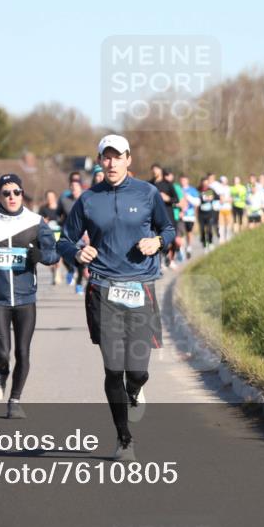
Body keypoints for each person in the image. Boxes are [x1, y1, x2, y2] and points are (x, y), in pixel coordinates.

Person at [58, 134, 175, 461]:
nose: (111, 163)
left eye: (117, 156)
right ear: (99, 161)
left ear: (128, 160)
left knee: (136, 370)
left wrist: (157, 243)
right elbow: (64, 241)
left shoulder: (148, 193)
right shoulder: (88, 200)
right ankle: (124, 439)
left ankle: (136, 389)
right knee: (112, 369)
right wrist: (78, 252)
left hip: (140, 286)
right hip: (103, 287)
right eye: (105, 157)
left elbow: (168, 229)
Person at [0, 173, 59, 419]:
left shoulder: (36, 221)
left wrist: (40, 256)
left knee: (23, 352)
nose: (12, 197)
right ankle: (2, 371)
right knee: (3, 352)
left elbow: (54, 253)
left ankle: (15, 401)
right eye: (6, 193)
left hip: (26, 298)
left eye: (16, 191)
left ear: (22, 193)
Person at [38, 190, 63, 284]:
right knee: (50, 254)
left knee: (58, 253)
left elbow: (64, 218)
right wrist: (44, 221)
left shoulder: (60, 208)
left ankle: (57, 271)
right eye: (48, 197)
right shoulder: (43, 209)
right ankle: (54, 272)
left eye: (51, 197)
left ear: (55, 197)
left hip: (59, 232)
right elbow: (39, 221)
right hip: (48, 234)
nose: (50, 199)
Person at [178, 175, 199, 260]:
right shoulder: (178, 189)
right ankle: (181, 249)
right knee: (181, 233)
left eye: (184, 180)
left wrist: (188, 197)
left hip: (190, 215)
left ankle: (189, 247)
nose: (183, 182)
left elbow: (197, 202)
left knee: (189, 232)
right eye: (181, 180)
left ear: (187, 181)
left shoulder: (192, 190)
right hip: (180, 215)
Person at [197, 176, 219, 250]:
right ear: (202, 183)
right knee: (202, 229)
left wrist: (212, 197)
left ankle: (210, 241)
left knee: (209, 228)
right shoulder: (198, 190)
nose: (206, 184)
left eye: (207, 183)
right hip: (201, 213)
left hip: (209, 212)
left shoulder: (210, 190)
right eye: (204, 183)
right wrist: (205, 197)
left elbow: (217, 197)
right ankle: (204, 242)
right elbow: (198, 199)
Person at [212, 175, 233, 243]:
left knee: (229, 224)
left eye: (223, 181)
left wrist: (225, 199)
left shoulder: (229, 188)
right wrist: (226, 199)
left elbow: (231, 199)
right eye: (221, 181)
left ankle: (228, 237)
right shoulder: (219, 189)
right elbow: (221, 200)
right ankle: (222, 238)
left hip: (228, 208)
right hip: (221, 209)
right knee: (221, 224)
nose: (222, 182)